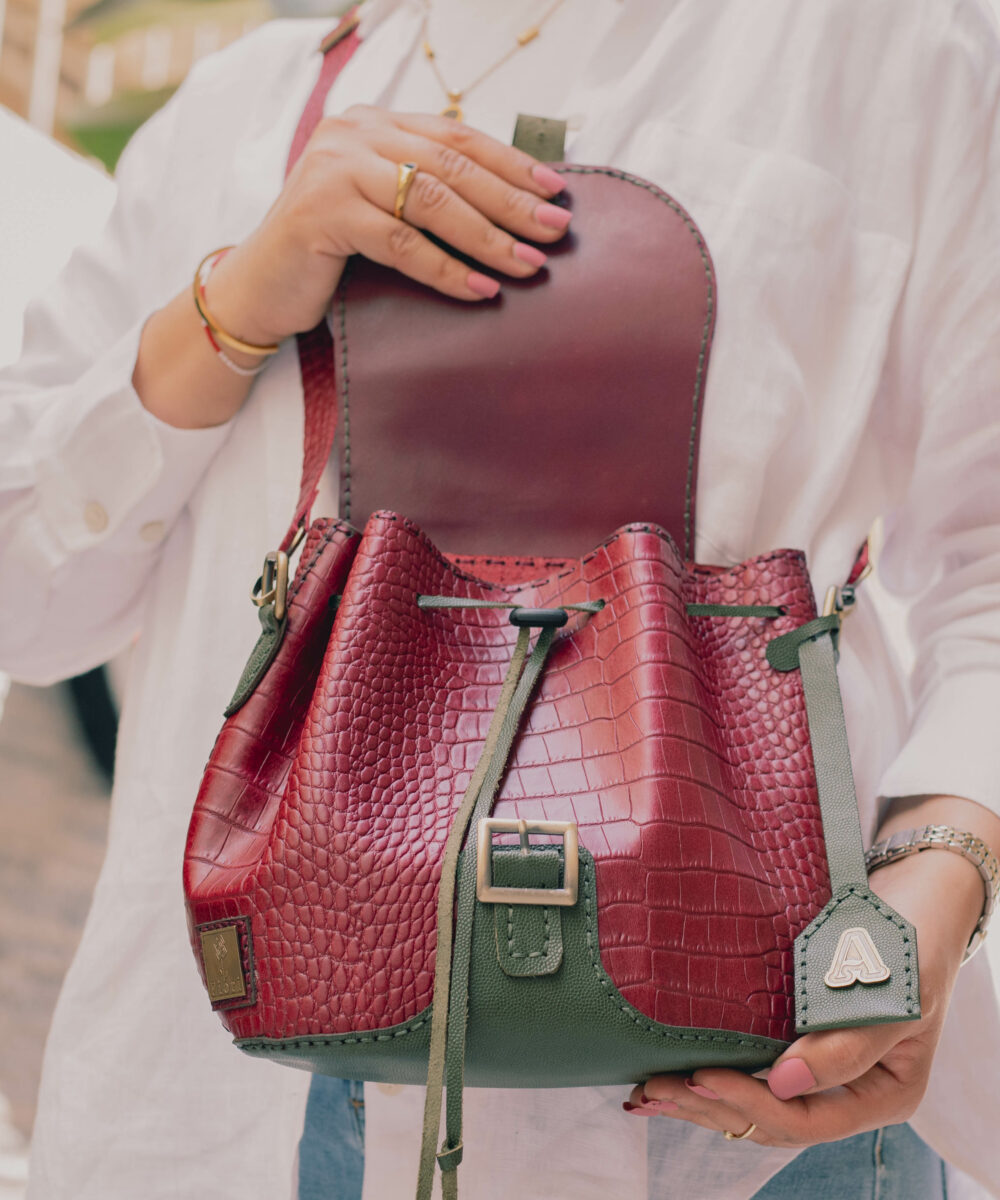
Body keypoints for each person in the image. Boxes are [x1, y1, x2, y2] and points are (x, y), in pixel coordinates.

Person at [1, 0, 999, 1197]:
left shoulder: (898, 52)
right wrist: (234, 304)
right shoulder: (236, 111)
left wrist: (940, 878)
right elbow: (29, 601)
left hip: (750, 1096)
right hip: (238, 1086)